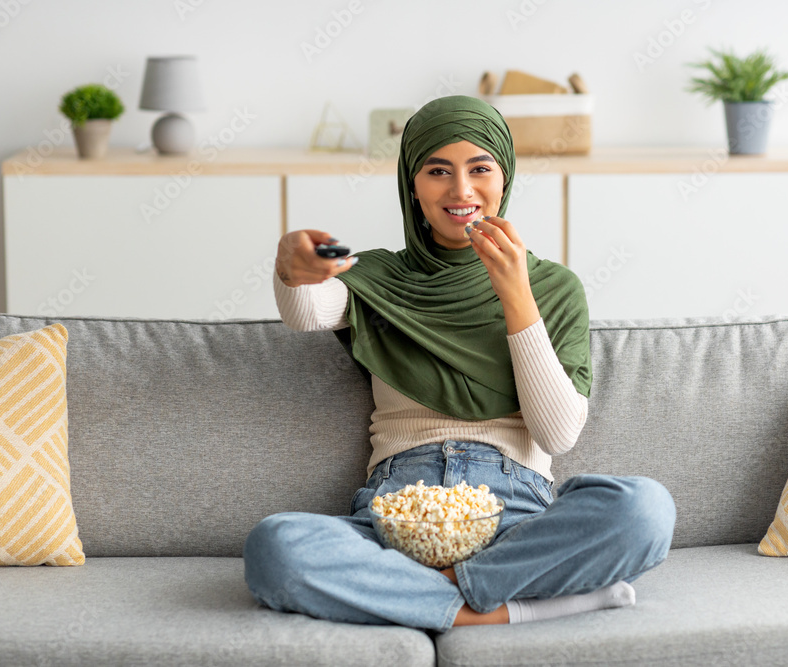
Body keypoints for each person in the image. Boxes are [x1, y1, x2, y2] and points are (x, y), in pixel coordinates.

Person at [243, 95, 675, 631]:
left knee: (646, 510)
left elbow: (558, 433)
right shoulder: (379, 279)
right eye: (438, 171)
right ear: (412, 184)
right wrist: (293, 266)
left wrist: (516, 293)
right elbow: (309, 310)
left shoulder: (554, 287)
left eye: (480, 168)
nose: (461, 191)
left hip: (517, 516)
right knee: (275, 547)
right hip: (396, 517)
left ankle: (420, 600)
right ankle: (510, 608)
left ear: (505, 175)